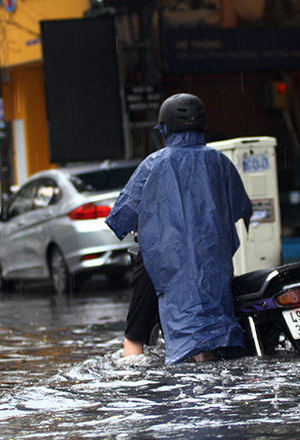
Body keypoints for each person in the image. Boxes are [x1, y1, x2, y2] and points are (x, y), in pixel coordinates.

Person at [106, 93, 253, 364]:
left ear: (165, 126)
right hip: (213, 263)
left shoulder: (153, 164)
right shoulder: (220, 162)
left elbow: (121, 217)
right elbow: (241, 208)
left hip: (166, 261)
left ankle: (130, 371)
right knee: (210, 328)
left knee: (134, 333)